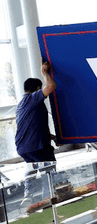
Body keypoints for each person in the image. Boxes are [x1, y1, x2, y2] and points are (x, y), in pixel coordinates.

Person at [15, 62, 57, 204]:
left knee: (32, 170)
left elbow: (32, 126)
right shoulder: (33, 99)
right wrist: (44, 73)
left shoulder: (21, 104)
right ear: (37, 89)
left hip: (24, 147)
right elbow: (51, 87)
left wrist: (52, 137)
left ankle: (29, 195)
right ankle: (50, 201)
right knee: (49, 173)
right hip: (37, 146)